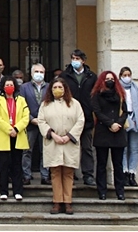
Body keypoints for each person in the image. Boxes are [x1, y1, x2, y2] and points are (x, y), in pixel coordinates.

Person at [37, 77, 85, 215]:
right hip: (53, 142)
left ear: (65, 89)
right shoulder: (45, 105)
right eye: (55, 87)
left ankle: (68, 202)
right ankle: (57, 202)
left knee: (68, 172)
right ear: (50, 90)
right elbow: (41, 121)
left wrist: (68, 136)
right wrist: (53, 135)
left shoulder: (74, 104)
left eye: (60, 87)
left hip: (69, 142)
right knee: (55, 172)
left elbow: (80, 121)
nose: (57, 90)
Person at [59, 49, 97, 186]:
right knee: (70, 147)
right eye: (73, 58)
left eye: (77, 58)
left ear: (83, 60)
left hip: (86, 117)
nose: (74, 61)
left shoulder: (92, 76)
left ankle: (88, 175)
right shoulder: (65, 76)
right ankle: (71, 174)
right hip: (69, 117)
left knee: (86, 147)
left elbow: (96, 95)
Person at [90, 71, 128, 200]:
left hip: (118, 132)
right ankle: (102, 191)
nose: (110, 81)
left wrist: (119, 124)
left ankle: (120, 191)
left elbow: (125, 112)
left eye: (112, 79)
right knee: (101, 164)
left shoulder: (120, 94)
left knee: (118, 164)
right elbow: (97, 111)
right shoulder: (96, 95)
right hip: (103, 131)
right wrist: (110, 124)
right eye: (107, 79)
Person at [0, 76, 30, 201]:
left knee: (17, 164)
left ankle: (18, 191)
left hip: (18, 135)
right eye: (7, 85)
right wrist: (9, 129)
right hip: (4, 135)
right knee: (3, 164)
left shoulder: (21, 100)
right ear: (3, 87)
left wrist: (16, 129)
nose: (9, 87)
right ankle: (3, 191)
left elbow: (26, 117)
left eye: (11, 85)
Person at [19, 64, 50, 185]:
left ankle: (45, 175)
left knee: (45, 151)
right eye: (36, 71)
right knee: (27, 151)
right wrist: (31, 119)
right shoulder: (24, 87)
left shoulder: (49, 87)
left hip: (45, 124)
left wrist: (42, 120)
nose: (39, 74)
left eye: (41, 72)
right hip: (29, 124)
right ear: (31, 73)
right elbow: (21, 105)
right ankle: (26, 175)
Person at [119, 67, 138, 187]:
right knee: (123, 149)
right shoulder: (118, 89)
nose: (127, 77)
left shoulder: (135, 88)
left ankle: (132, 173)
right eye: (124, 75)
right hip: (123, 120)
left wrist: (136, 119)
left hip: (135, 120)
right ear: (120, 76)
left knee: (134, 149)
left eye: (129, 74)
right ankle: (123, 172)